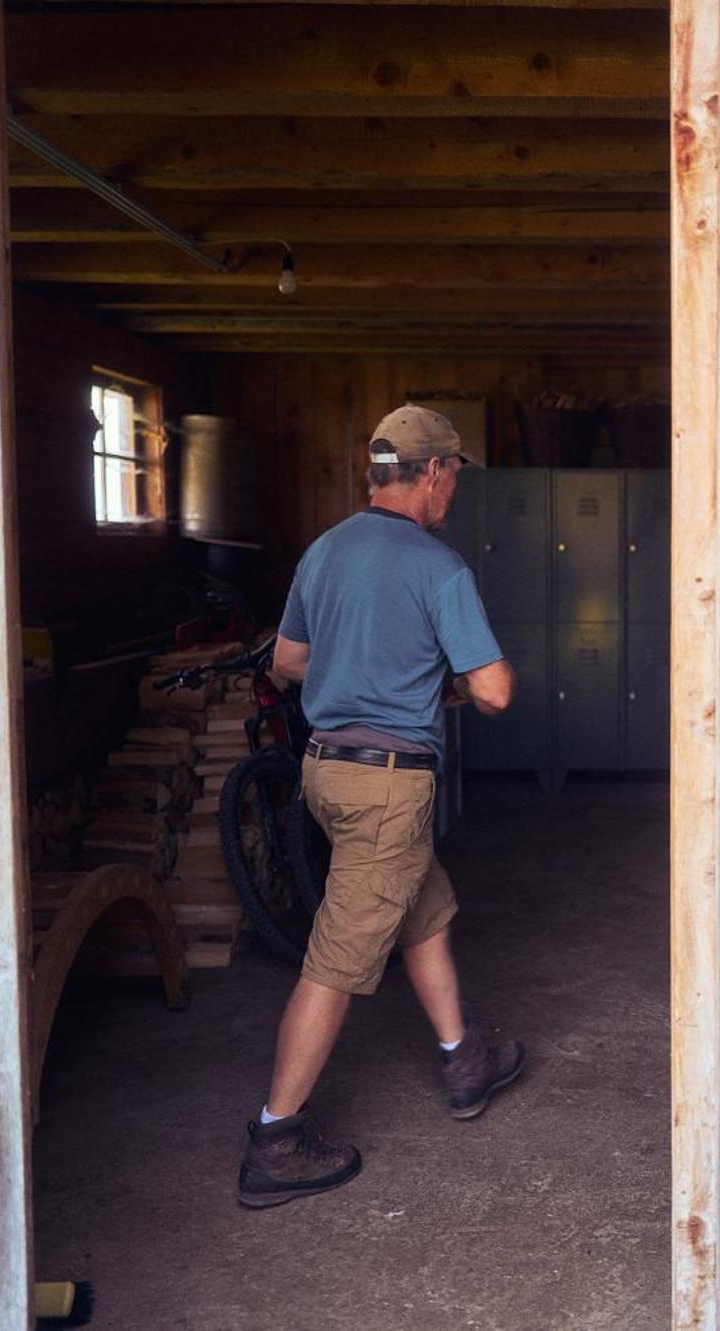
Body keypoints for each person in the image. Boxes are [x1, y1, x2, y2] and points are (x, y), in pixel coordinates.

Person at [237, 404, 523, 1209]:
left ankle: (464, 1057)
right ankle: (275, 1137)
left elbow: (291, 660)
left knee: (421, 907)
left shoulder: (325, 551)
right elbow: (495, 690)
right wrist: (439, 678)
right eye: (454, 477)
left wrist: (367, 664)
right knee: (336, 960)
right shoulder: (439, 567)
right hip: (390, 785)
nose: (453, 493)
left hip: (327, 772)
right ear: (432, 472)